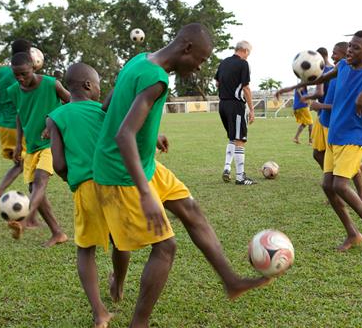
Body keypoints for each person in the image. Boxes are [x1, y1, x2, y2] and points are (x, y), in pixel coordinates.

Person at [93, 23, 272, 328]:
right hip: (122, 172)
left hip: (145, 162)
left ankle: (231, 281)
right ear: (186, 48)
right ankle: (140, 323)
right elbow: (124, 135)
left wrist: (151, 133)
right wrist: (146, 193)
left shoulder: (140, 60)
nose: (199, 67)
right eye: (200, 60)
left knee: (192, 210)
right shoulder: (157, 80)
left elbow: (110, 105)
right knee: (166, 247)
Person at [276, 30, 362, 251]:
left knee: (340, 185)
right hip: (335, 134)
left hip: (354, 136)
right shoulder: (343, 67)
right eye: (350, 46)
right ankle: (353, 233)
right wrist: (294, 88)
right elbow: (324, 77)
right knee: (327, 185)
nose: (351, 51)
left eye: (356, 47)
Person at [47, 63, 130, 327]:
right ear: (87, 86)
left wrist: (71, 178)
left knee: (86, 250)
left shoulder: (56, 116)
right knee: (121, 240)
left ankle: (100, 312)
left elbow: (58, 164)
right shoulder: (103, 112)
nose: (99, 90)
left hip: (85, 187)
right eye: (97, 85)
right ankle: (118, 282)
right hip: (114, 183)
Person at [7, 52, 71, 247]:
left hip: (52, 144)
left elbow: (72, 102)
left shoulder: (52, 84)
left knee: (40, 181)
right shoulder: (13, 90)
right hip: (32, 145)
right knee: (34, 189)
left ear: (34, 68)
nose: (20, 78)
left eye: (24, 74)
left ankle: (24, 221)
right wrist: (18, 143)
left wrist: (53, 123)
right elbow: (20, 115)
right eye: (16, 75)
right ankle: (58, 233)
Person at [309, 42, 362, 203]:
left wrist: (321, 105)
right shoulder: (336, 72)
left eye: (336, 53)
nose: (333, 56)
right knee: (317, 154)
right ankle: (333, 185)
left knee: (349, 166)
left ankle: (361, 196)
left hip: (337, 124)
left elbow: (344, 106)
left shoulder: (350, 76)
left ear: (346, 55)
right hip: (325, 120)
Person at [0, 39, 32, 218]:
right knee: (28, 165)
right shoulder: (27, 72)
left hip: (2, 126)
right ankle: (1, 192)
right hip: (22, 125)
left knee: (20, 164)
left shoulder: (1, 72)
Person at [215, 40, 257, 185]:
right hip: (236, 105)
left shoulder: (224, 62)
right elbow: (246, 88)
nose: (248, 56)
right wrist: (252, 110)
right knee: (240, 140)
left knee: (232, 137)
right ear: (244, 50)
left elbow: (217, 83)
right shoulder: (243, 64)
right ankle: (240, 177)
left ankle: (227, 167)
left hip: (222, 105)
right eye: (249, 53)